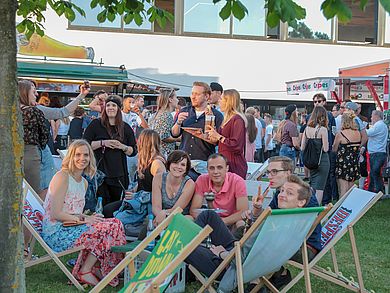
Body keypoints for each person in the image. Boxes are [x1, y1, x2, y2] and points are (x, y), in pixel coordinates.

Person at [186, 173, 320, 283]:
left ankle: (186, 268)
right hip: (237, 254)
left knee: (183, 245)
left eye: (289, 193)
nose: (282, 195)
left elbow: (248, 259)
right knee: (209, 215)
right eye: (282, 190)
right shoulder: (294, 220)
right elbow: (254, 244)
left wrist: (222, 253)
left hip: (232, 268)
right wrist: (256, 210)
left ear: (301, 202)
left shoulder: (280, 226)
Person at [41, 140, 126, 287]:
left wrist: (88, 218)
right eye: (78, 154)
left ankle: (99, 267)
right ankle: (86, 270)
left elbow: (73, 214)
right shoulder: (62, 177)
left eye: (86, 155)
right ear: (71, 157)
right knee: (105, 228)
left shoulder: (83, 182)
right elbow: (55, 213)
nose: (82, 158)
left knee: (115, 223)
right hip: (57, 233)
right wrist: (86, 221)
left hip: (71, 227)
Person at [83, 95, 137, 205]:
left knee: (115, 205)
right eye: (108, 105)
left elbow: (133, 151)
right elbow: (84, 144)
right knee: (99, 205)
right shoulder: (96, 124)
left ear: (119, 108)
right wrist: (103, 143)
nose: (110, 108)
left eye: (113, 105)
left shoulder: (125, 127)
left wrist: (122, 146)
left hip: (118, 174)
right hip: (99, 173)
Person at [103, 129, 166, 218]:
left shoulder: (157, 163)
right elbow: (144, 182)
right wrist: (133, 190)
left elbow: (162, 192)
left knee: (112, 214)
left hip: (146, 205)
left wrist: (136, 196)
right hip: (138, 200)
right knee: (107, 209)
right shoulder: (145, 160)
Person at [190, 153, 249, 228]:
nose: (215, 172)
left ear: (227, 168)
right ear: (207, 169)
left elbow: (243, 211)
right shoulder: (202, 180)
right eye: (212, 168)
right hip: (208, 221)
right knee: (188, 218)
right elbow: (194, 210)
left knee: (241, 224)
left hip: (231, 221)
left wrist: (221, 222)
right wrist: (211, 220)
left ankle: (236, 240)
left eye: (219, 167)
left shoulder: (237, 181)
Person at [171, 81, 223, 161]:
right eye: (192, 93)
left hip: (205, 161)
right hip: (184, 160)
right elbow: (174, 134)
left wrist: (208, 136)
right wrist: (178, 122)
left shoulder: (217, 115)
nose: (193, 97)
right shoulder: (184, 111)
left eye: (197, 94)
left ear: (206, 96)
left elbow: (219, 142)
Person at [206, 89, 248, 179]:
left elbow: (237, 145)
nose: (219, 101)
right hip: (224, 162)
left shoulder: (237, 119)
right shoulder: (226, 119)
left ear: (228, 102)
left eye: (221, 99)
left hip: (234, 164)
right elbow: (220, 140)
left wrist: (218, 136)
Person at [19, 80, 49, 194]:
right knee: (31, 193)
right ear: (25, 93)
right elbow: (44, 136)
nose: (36, 94)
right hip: (30, 154)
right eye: (34, 92)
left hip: (9, 154)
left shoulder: (8, 112)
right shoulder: (33, 112)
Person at [152, 150, 195, 225]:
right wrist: (160, 215)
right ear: (169, 164)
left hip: (180, 218)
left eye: (182, 165)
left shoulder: (189, 183)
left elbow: (176, 210)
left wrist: (164, 213)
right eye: (175, 163)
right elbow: (156, 206)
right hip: (160, 217)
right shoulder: (158, 178)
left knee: (188, 218)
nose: (179, 167)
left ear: (186, 169)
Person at [301, 105, 330, 204]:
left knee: (313, 184)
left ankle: (310, 205)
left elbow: (302, 147)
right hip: (322, 161)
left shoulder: (307, 129)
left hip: (310, 161)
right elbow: (326, 148)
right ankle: (316, 208)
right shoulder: (323, 129)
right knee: (320, 187)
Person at [333, 112, 361, 197]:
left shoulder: (340, 134)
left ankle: (342, 208)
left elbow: (334, 148)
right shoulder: (358, 133)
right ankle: (351, 206)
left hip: (343, 163)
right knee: (351, 188)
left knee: (343, 189)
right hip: (354, 163)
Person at [149, 89, 179, 158]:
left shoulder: (155, 114)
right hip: (164, 153)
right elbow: (164, 137)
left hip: (154, 152)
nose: (178, 100)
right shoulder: (167, 115)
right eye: (176, 97)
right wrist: (178, 138)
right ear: (170, 99)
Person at [366, 110, 388, 193]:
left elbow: (368, 133)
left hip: (377, 153)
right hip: (377, 152)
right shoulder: (381, 125)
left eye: (372, 116)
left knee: (375, 172)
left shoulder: (379, 125)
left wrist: (363, 128)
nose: (371, 118)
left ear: (376, 116)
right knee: (373, 173)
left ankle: (378, 191)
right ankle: (372, 190)